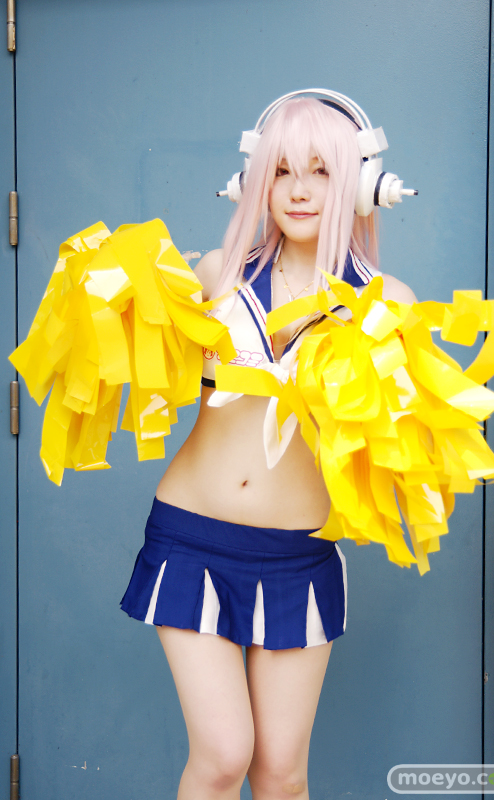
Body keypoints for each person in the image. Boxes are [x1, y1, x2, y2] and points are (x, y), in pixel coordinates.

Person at [120, 94, 416, 800]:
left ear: (361, 183)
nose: (299, 190)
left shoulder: (386, 305)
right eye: (281, 171)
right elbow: (146, 374)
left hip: (296, 556)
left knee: (281, 775)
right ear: (255, 180)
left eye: (321, 170)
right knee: (224, 757)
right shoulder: (215, 274)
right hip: (191, 539)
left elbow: (391, 446)